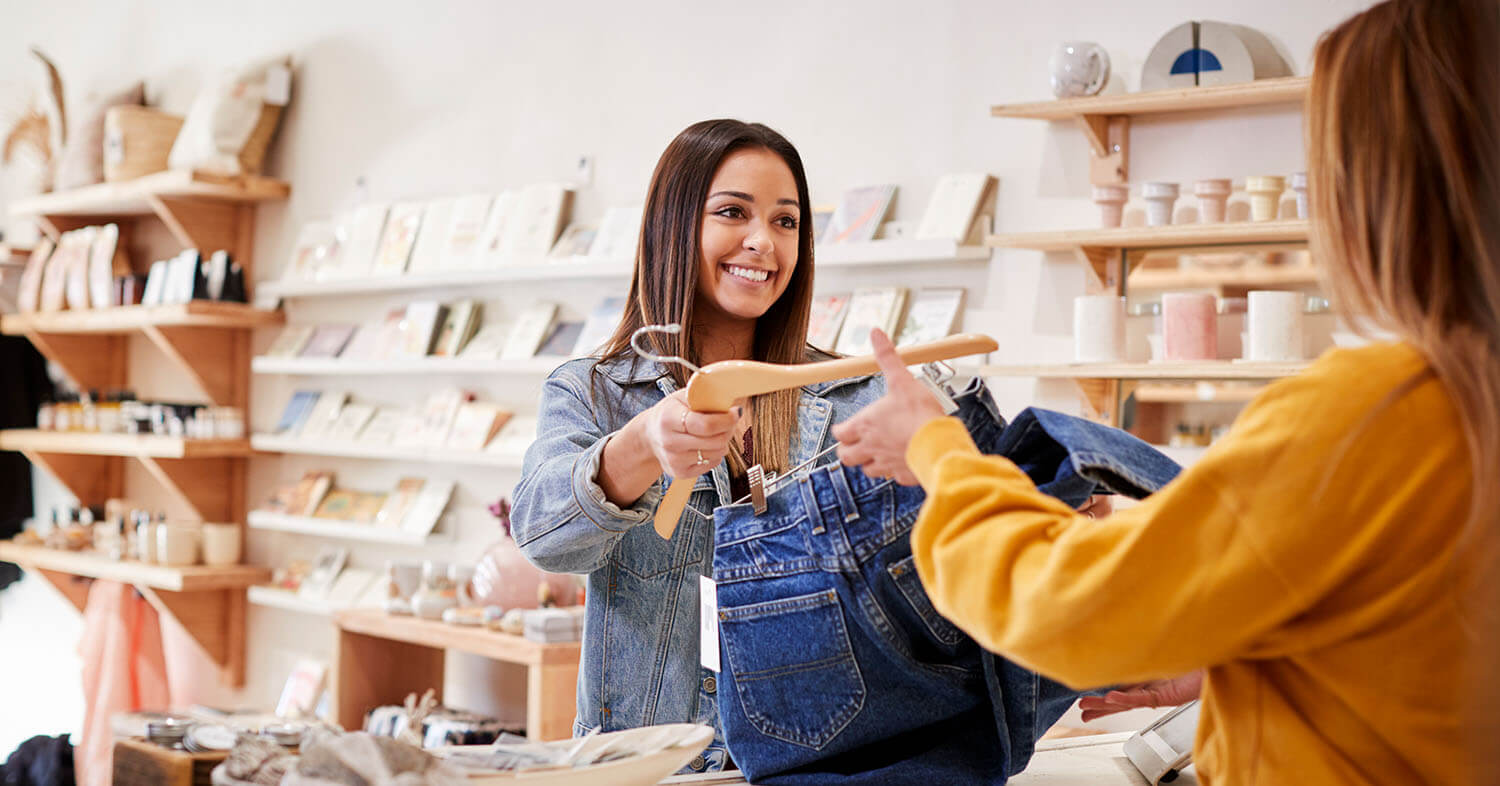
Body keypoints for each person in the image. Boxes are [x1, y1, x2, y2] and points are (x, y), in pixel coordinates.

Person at [831, 0, 1500, 782]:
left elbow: (1070, 606)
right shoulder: (1466, 405)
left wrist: (938, 451)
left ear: (1379, 188)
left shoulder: (1374, 414)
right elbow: (1423, 651)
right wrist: (1249, 658)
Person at [512, 118, 867, 772]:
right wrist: (642, 444)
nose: (763, 241)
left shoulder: (846, 396)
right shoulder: (593, 392)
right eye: (732, 212)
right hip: (648, 768)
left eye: (786, 222)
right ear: (673, 226)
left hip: (811, 764)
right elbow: (541, 534)